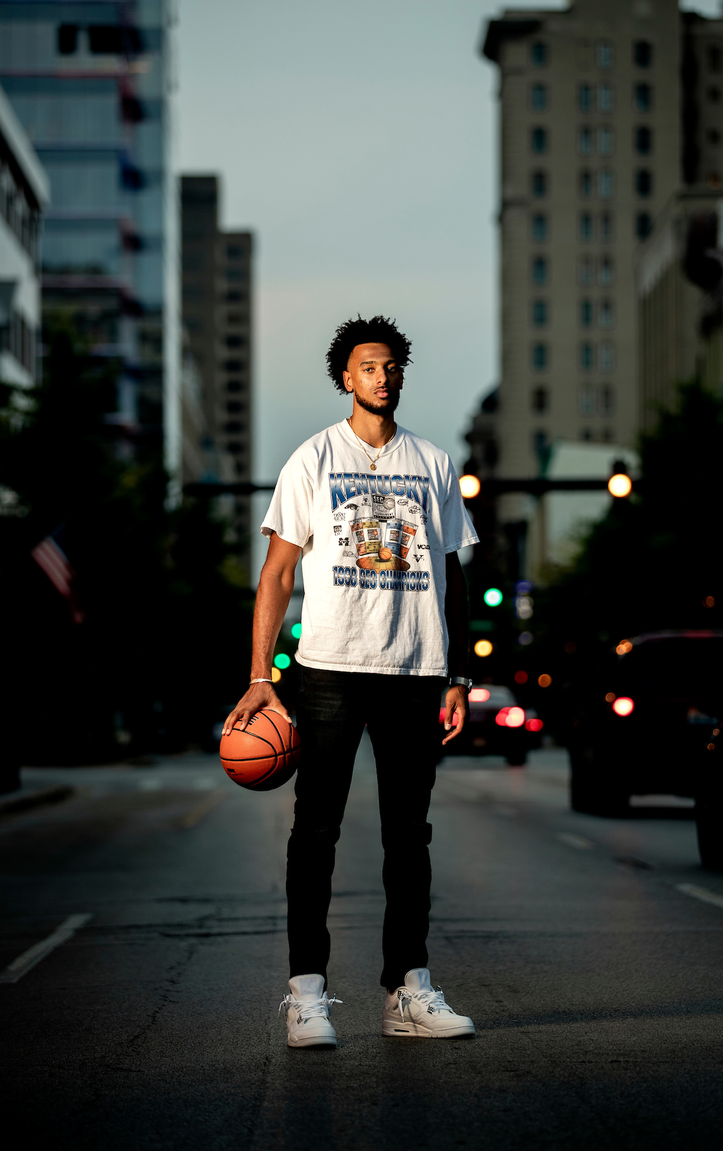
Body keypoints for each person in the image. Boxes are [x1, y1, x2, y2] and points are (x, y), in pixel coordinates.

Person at [224, 315, 478, 1048]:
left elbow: (453, 577)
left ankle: (408, 988)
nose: (383, 376)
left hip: (413, 670)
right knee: (315, 834)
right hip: (328, 670)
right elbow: (275, 575)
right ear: (346, 377)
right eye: (369, 366)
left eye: (393, 365)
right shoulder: (313, 459)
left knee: (409, 838)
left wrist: (459, 675)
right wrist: (259, 675)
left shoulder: (431, 463)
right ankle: (306, 994)